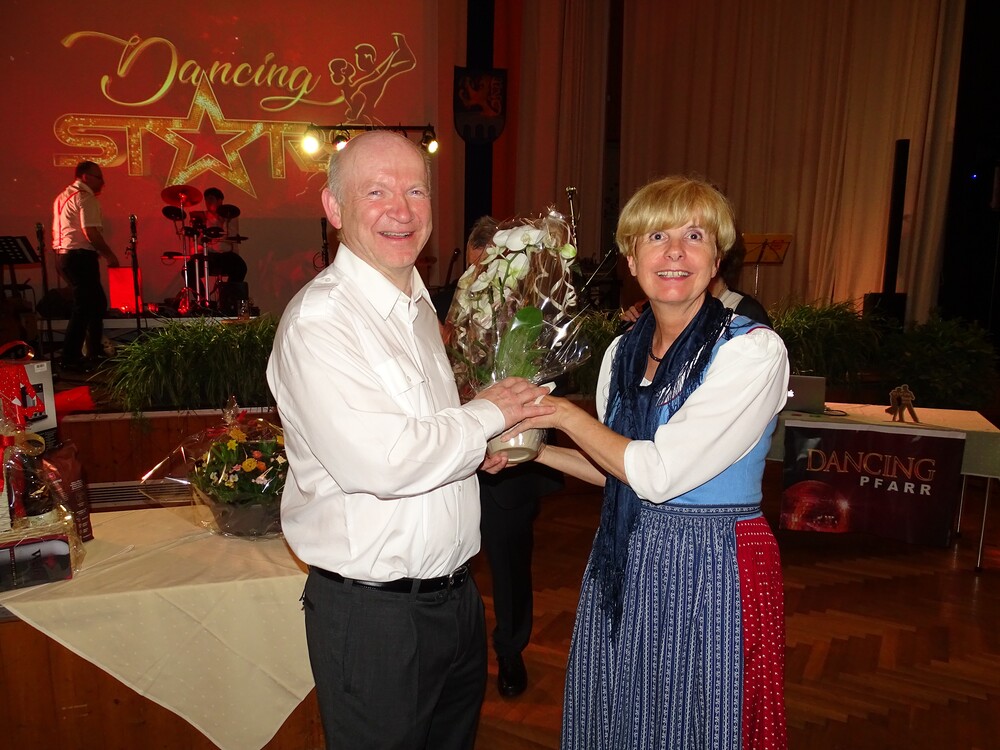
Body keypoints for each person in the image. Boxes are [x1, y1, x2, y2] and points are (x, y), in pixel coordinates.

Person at [265, 130, 554, 750]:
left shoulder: (419, 310)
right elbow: (384, 462)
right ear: (335, 208)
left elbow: (419, 434)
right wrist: (488, 414)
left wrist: (475, 451)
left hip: (456, 602)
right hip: (375, 619)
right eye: (376, 192)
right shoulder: (322, 321)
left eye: (416, 191)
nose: (401, 209)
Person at [507, 175, 790, 749]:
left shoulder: (751, 351)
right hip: (625, 555)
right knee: (624, 716)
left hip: (713, 564)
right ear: (632, 260)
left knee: (699, 722)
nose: (675, 252)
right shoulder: (622, 351)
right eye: (657, 237)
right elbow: (619, 471)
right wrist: (534, 450)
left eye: (695, 236)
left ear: (716, 259)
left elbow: (657, 474)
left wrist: (560, 413)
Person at [439, 216, 564, 698]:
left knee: (510, 565)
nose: (481, 277)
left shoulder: (537, 309)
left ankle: (511, 649)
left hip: (510, 464)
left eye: (489, 266)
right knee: (451, 561)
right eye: (474, 269)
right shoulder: (451, 303)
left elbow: (552, 380)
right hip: (451, 461)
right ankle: (454, 652)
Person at [51, 161, 120, 372]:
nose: (102, 182)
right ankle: (71, 357)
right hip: (80, 257)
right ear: (85, 177)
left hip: (67, 256)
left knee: (95, 303)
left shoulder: (62, 197)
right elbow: (90, 231)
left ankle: (93, 351)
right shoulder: (85, 197)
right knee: (85, 307)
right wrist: (109, 255)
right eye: (99, 177)